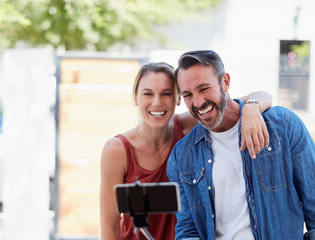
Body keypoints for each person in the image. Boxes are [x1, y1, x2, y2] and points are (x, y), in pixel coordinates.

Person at [100, 61, 273, 240]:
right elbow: (109, 228)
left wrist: (252, 109)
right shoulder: (117, 150)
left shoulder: (189, 129)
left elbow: (260, 96)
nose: (157, 102)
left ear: (178, 98)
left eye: (166, 94)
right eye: (147, 94)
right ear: (135, 98)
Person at [167, 50, 315, 240]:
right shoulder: (182, 156)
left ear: (225, 82)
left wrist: (252, 107)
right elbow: (187, 229)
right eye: (188, 95)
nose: (198, 102)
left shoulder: (283, 126)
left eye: (204, 89)